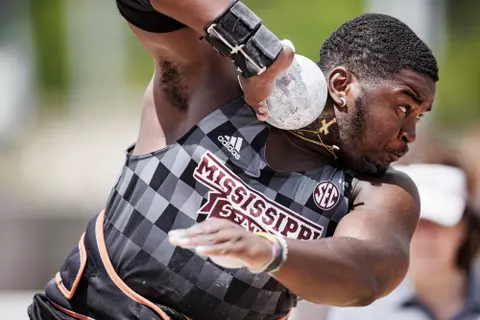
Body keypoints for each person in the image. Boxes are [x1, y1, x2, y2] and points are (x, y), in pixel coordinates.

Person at [28, 0, 439, 319]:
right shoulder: (215, 91)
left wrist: (271, 251)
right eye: (405, 107)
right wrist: (254, 46)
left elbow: (368, 274)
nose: (411, 135)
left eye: (421, 117)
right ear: (341, 85)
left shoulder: (380, 192)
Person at [327, 148, 480, 320]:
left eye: (439, 222)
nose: (425, 237)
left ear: (464, 227)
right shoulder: (357, 308)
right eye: (415, 222)